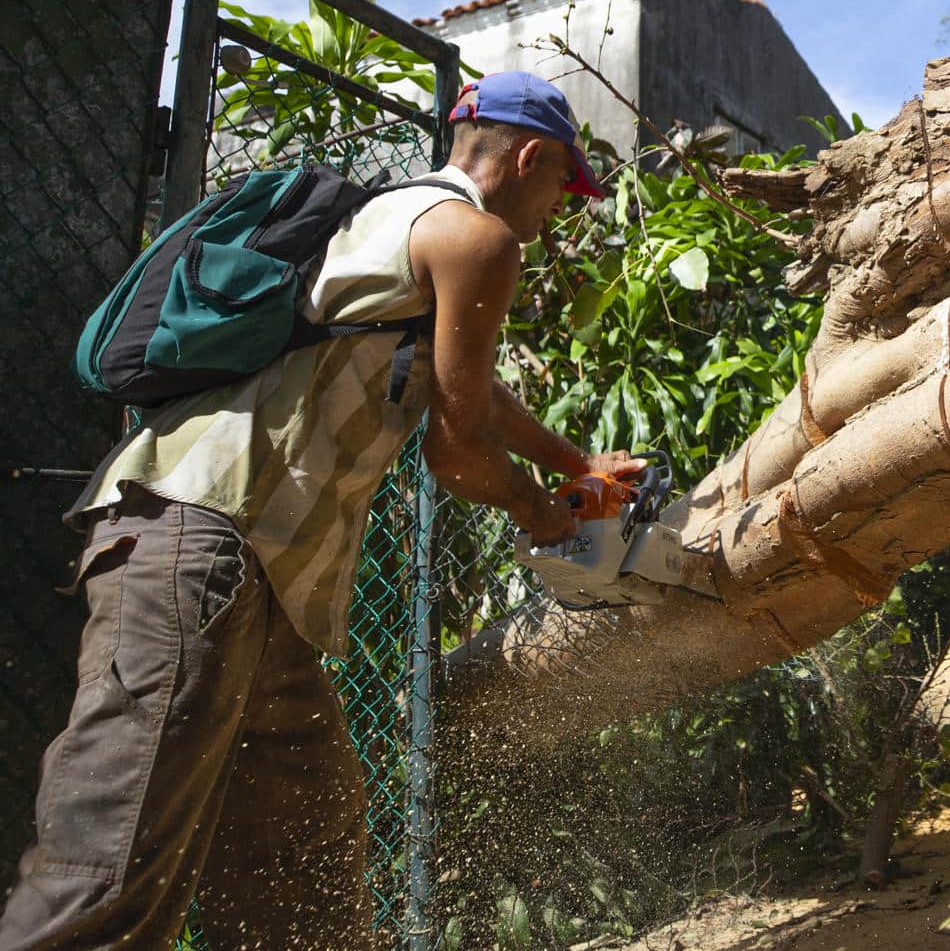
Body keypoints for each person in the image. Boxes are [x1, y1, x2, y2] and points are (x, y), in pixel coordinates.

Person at [0, 71, 641, 951]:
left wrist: (578, 464)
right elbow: (455, 453)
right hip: (202, 551)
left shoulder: (397, 222)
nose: (556, 212)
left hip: (263, 584)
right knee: (108, 870)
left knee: (299, 861)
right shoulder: (477, 240)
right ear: (531, 157)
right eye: (563, 188)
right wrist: (553, 522)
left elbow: (472, 394)